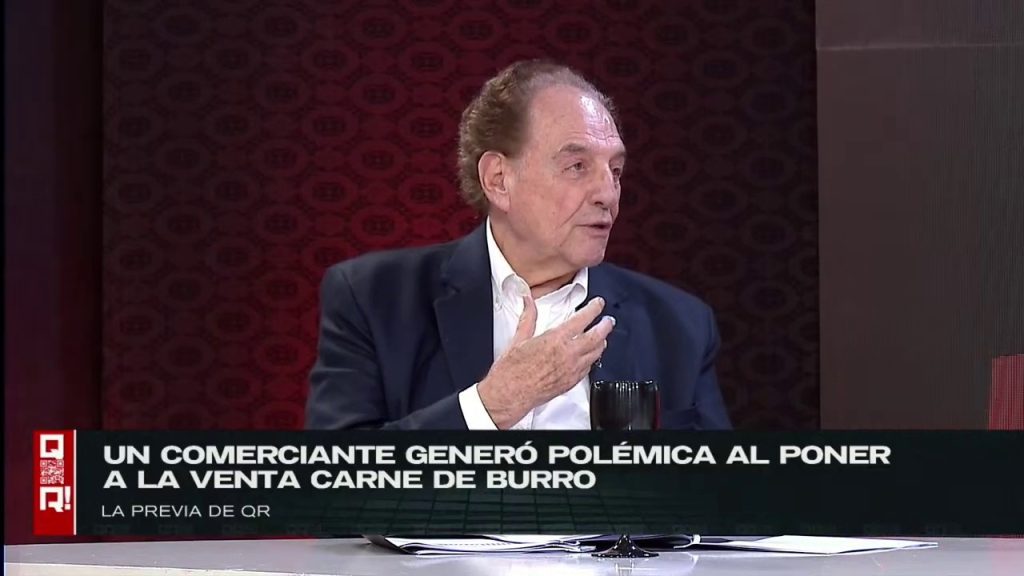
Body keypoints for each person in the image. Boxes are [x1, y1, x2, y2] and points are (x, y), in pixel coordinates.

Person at [306, 60, 731, 430]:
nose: (608, 194)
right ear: (498, 180)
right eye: (577, 166)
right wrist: (492, 405)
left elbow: (720, 490)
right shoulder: (375, 298)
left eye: (615, 170)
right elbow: (334, 479)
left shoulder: (680, 325)